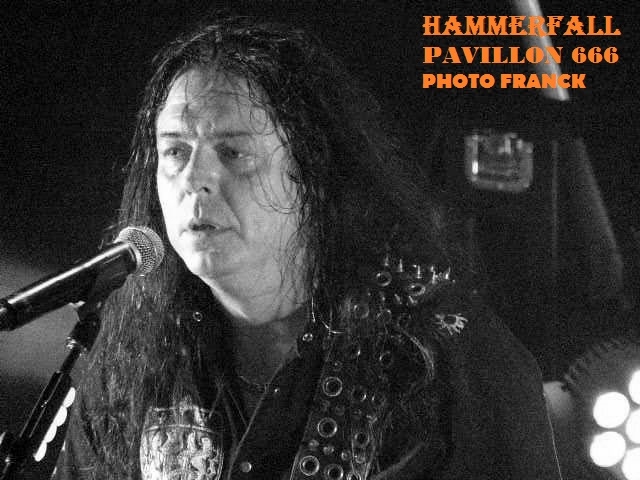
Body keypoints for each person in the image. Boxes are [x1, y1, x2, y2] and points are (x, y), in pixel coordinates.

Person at [53, 14, 563, 480]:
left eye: (233, 152)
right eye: (174, 151)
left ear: (312, 174)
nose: (194, 179)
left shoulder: (443, 361)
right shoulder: (134, 362)